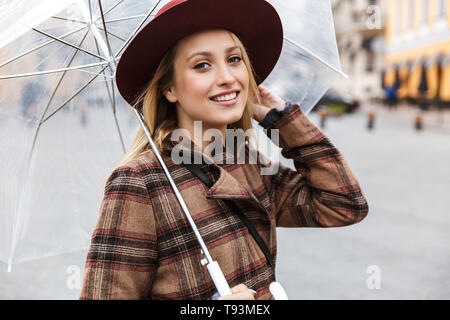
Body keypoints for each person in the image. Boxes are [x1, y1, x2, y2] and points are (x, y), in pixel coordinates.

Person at [80, 0, 369, 300]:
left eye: (234, 59)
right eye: (202, 65)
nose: (227, 78)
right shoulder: (140, 182)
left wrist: (281, 119)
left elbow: (344, 204)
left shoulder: (248, 163)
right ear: (170, 89)